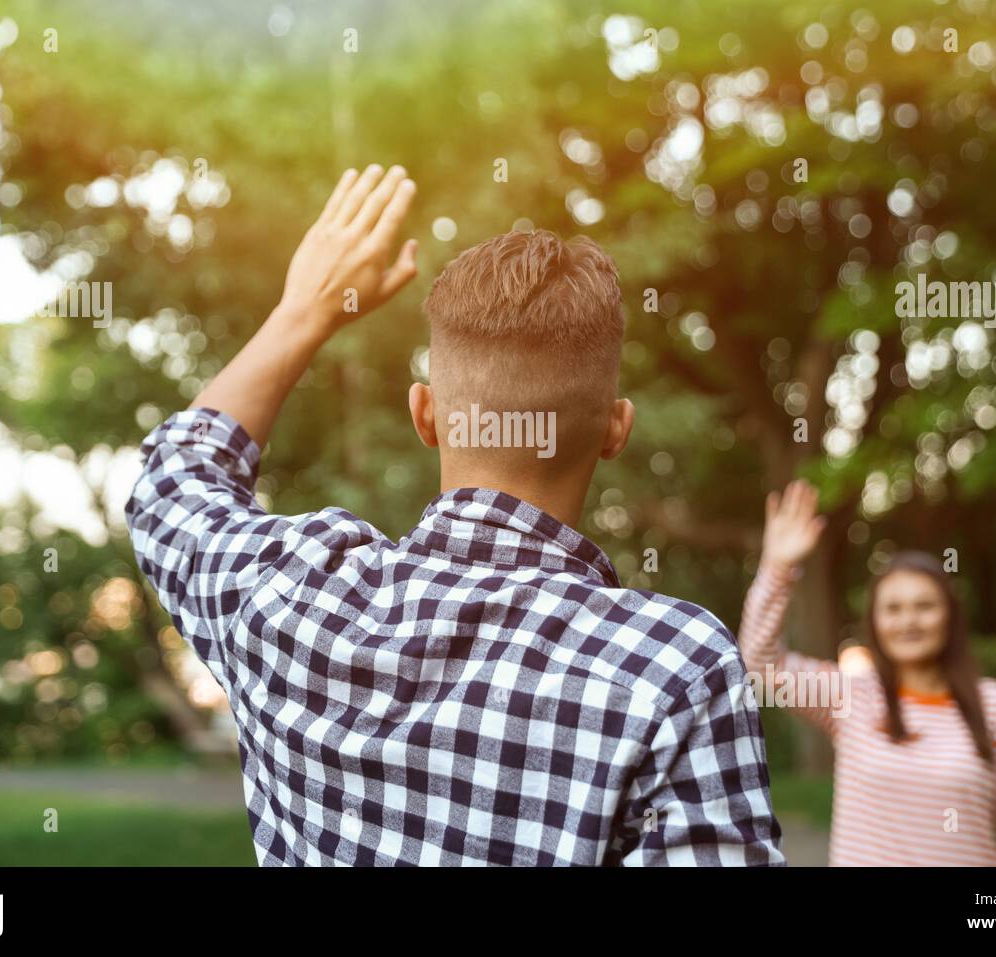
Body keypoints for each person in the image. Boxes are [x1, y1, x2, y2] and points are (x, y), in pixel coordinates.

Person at [125, 164, 783, 865]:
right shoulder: (672, 669)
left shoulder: (288, 594)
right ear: (616, 429)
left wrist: (304, 311)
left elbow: (175, 479)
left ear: (425, 414)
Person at [739, 480, 996, 866]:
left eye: (924, 606)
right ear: (875, 622)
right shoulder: (850, 697)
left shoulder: (995, 705)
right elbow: (759, 665)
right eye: (893, 609)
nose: (909, 621)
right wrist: (778, 569)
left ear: (950, 616)